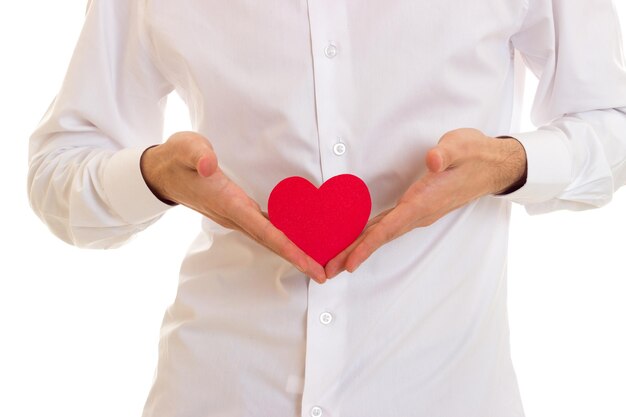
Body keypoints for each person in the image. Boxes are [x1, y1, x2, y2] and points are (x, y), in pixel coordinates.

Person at [28, 1, 626, 416]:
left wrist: (509, 164)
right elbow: (59, 167)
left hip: (444, 393)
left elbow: (610, 122)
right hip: (219, 391)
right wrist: (154, 176)